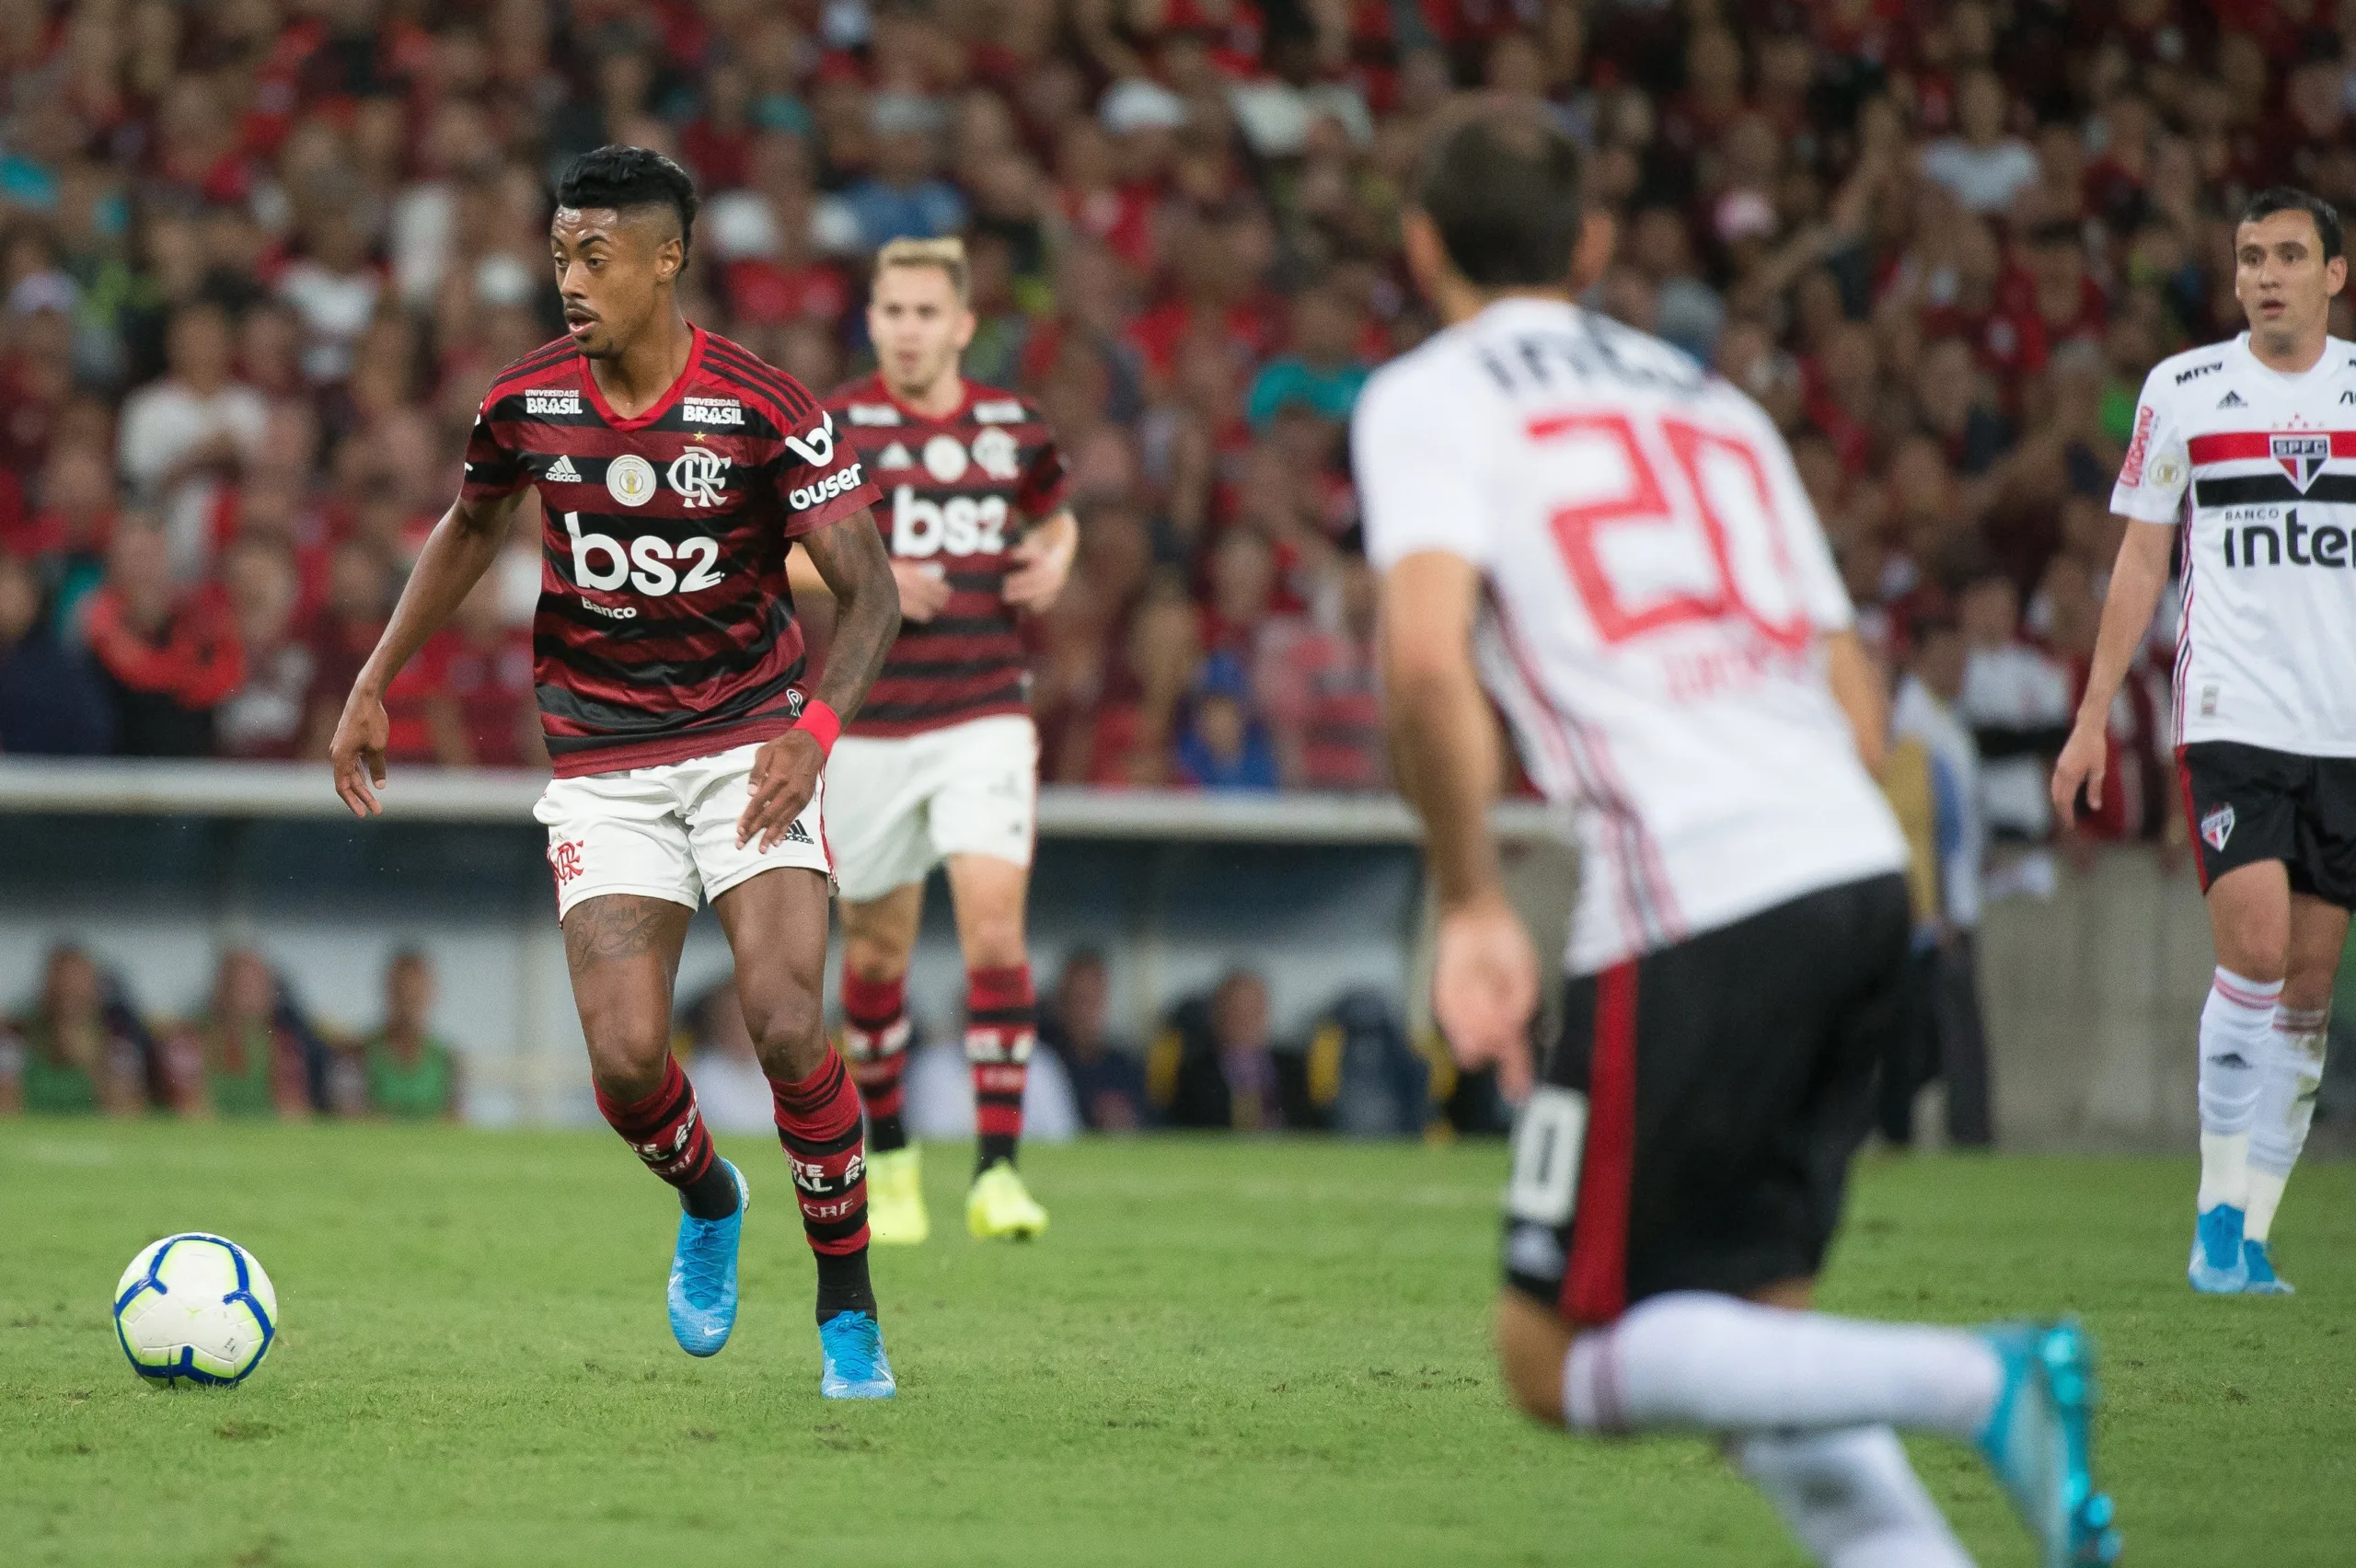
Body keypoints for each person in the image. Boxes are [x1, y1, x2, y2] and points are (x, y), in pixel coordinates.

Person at [1358, 106, 2115, 1568]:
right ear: (1589, 245)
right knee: (1755, 1347)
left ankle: (1983, 1376)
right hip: (1852, 873)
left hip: (1693, 897)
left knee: (1556, 1358)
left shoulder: (1429, 397)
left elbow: (1424, 663)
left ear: (1421, 244)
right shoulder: (1716, 404)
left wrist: (1469, 901)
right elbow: (1855, 687)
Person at [326, 146, 905, 1399]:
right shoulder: (527, 402)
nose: (570, 281)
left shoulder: (763, 406)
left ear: (665, 258)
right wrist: (377, 679)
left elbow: (873, 595)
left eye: (594, 257)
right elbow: (472, 525)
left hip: (753, 742)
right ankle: (709, 1198)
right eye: (558, 255)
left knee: (788, 1016)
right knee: (629, 1060)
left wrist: (814, 732)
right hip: (602, 761)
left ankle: (847, 1311)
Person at [2054, 186, 2356, 1299]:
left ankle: (2250, 1233)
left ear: (2334, 274)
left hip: (2346, 732)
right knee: (2260, 950)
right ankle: (2210, 1220)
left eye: (2288, 255)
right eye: (2248, 257)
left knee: (2311, 987)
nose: (2265, 274)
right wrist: (2091, 717)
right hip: (2231, 713)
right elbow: (2140, 565)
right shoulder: (2183, 390)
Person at [798, 236, 1075, 1245]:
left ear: (961, 325)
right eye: (892, 311)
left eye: (927, 313)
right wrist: (868, 583)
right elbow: (769, 552)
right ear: (871, 320)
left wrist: (1053, 560)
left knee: (996, 928)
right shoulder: (835, 425)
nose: (908, 329)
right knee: (876, 953)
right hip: (869, 720)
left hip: (985, 711)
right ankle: (898, 1155)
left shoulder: (1012, 427)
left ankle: (997, 1172)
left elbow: (1055, 516)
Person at [0, 945, 152, 1116]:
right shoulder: (17, 1036)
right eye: (62, 985)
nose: (68, 990)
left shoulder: (118, 1041)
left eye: (77, 986)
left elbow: (128, 1113)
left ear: (96, 991)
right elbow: (6, 1110)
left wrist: (91, 1063)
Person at [1039, 949, 1145, 1132]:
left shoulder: (1125, 1068)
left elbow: (1156, 1127)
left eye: (1093, 1000)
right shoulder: (1044, 1065)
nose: (1086, 1012)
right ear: (1061, 1002)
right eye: (1079, 999)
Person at [361, 950, 462, 1120]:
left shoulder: (444, 1057)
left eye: (415, 994)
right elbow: (352, 1117)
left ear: (430, 994)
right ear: (389, 993)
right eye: (401, 992)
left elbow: (454, 1119)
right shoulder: (365, 1054)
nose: (408, 1000)